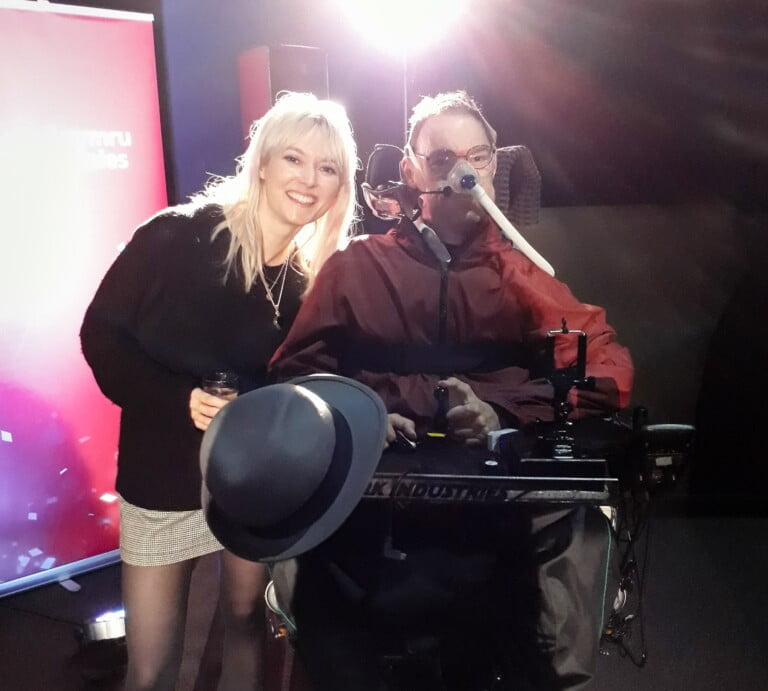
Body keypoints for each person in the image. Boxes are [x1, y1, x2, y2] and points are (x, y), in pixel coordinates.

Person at [270, 91, 634, 689]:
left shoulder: (520, 276)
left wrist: (499, 411)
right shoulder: (356, 268)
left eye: (478, 157)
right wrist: (362, 410)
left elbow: (608, 369)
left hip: (489, 531)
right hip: (370, 525)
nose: (464, 173)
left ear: (495, 166)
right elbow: (294, 376)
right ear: (411, 172)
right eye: (442, 159)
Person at [80, 91, 358, 691]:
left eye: (328, 168)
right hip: (162, 478)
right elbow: (100, 336)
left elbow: (303, 383)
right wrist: (177, 399)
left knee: (245, 623)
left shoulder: (307, 283)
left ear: (341, 186)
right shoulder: (175, 237)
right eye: (294, 159)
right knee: (152, 668)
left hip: (249, 486)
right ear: (263, 163)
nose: (309, 180)